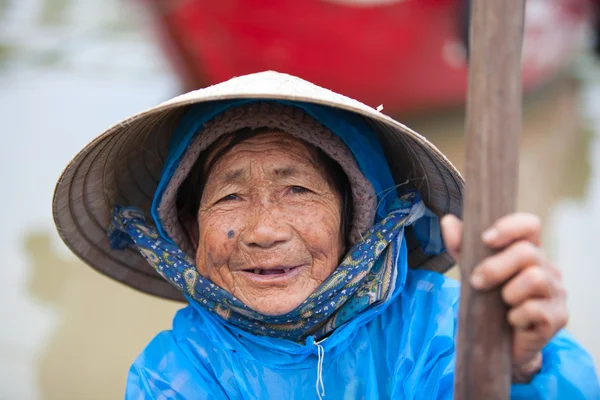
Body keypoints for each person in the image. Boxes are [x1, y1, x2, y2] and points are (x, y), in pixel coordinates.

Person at [53, 71, 599, 399]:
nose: (264, 231)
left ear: (354, 219)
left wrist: (522, 370)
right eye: (229, 196)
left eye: (298, 190)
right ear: (190, 229)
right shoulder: (173, 372)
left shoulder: (448, 328)